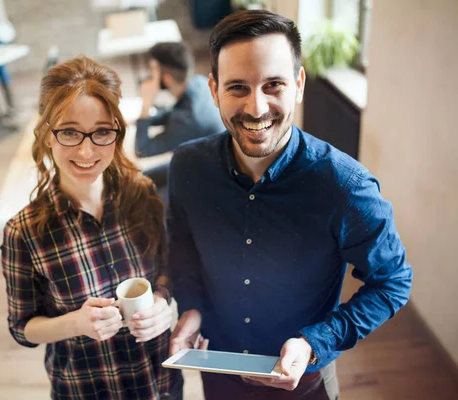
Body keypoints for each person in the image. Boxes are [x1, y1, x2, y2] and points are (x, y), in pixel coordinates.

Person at [168, 9, 412, 400]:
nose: (257, 108)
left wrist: (315, 343)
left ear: (299, 85)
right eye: (237, 88)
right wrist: (192, 308)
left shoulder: (345, 186)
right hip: (217, 377)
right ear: (213, 89)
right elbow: (184, 251)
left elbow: (393, 282)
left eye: (273, 85)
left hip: (305, 387)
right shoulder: (186, 166)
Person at [0, 56, 182, 399]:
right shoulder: (24, 233)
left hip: (159, 385)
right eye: (69, 132)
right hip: (86, 389)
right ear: (47, 135)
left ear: (117, 132)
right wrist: (76, 324)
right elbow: (23, 329)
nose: (86, 150)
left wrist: (163, 305)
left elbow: (168, 271)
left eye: (101, 132)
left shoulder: (142, 195)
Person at [136, 42, 224, 159]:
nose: (150, 74)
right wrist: (149, 120)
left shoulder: (184, 121)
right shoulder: (200, 82)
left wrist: (146, 105)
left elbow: (141, 150)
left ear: (167, 79)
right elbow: (173, 113)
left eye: (153, 70)